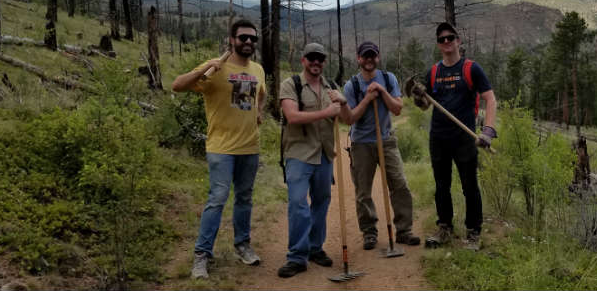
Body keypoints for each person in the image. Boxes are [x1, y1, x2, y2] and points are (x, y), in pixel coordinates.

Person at [171, 19, 266, 280]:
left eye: (252, 39)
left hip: (250, 147)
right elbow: (177, 85)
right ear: (232, 40)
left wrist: (259, 112)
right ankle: (202, 256)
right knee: (217, 199)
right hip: (221, 147)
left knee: (245, 198)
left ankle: (242, 245)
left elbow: (261, 95)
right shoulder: (216, 67)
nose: (248, 42)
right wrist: (204, 70)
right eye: (243, 38)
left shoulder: (258, 69)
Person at [411, 22, 497, 251]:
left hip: (464, 138)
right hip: (438, 138)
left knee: (469, 185)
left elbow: (490, 99)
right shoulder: (433, 71)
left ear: (458, 41)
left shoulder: (471, 69)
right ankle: (445, 228)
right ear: (439, 45)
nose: (447, 42)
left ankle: (473, 232)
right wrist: (418, 96)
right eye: (442, 39)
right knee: (441, 185)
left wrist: (487, 131)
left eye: (450, 37)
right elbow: (423, 106)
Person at [339, 41, 421, 251]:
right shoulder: (352, 86)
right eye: (365, 56)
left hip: (386, 140)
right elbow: (349, 119)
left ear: (378, 57)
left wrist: (382, 91)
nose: (369, 59)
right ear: (358, 59)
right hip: (361, 144)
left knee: (400, 185)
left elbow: (397, 109)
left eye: (372, 55)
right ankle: (369, 233)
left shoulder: (388, 78)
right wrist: (367, 98)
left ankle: (404, 231)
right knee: (363, 192)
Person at [277, 42, 347, 278]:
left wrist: (343, 102)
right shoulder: (291, 84)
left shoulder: (332, 87)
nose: (316, 62)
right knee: (298, 203)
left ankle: (315, 248)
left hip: (325, 154)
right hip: (298, 153)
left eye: (320, 58)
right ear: (303, 60)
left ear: (324, 62)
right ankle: (297, 256)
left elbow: (347, 119)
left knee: (321, 202)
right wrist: (327, 112)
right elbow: (292, 116)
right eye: (311, 58)